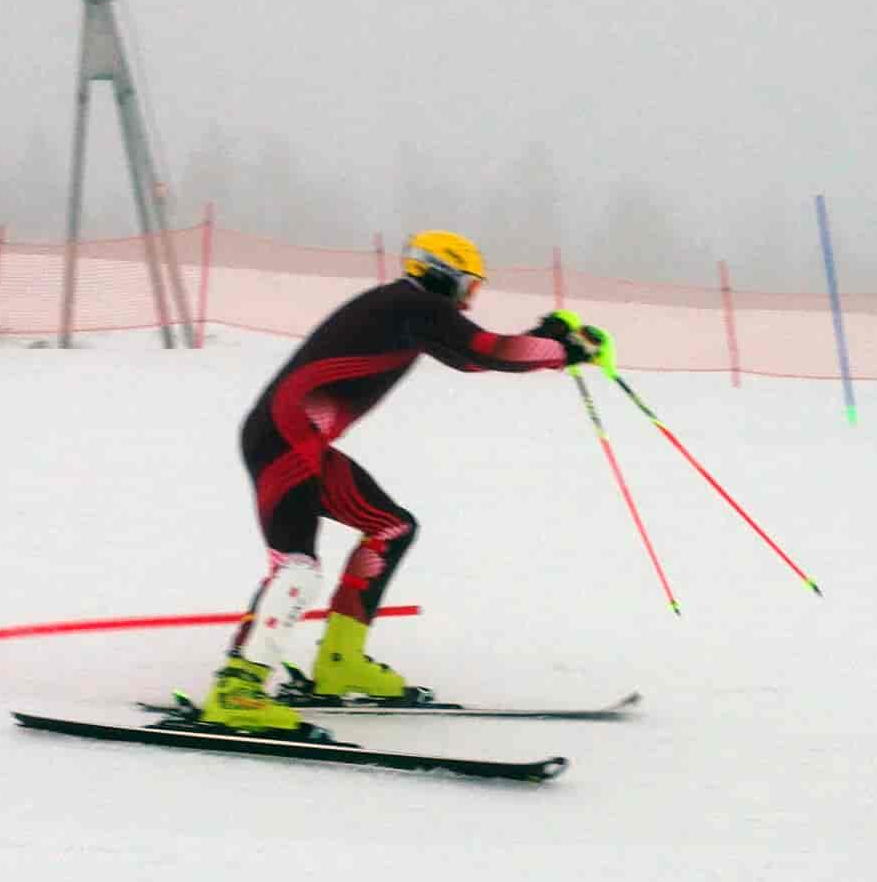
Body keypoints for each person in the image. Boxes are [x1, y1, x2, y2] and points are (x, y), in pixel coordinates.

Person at [196, 229, 612, 738]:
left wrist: (549, 340)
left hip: (297, 440)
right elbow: (483, 351)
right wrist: (564, 349)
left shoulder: (407, 309)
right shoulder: (412, 305)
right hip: (286, 441)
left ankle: (340, 662)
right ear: (445, 276)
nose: (470, 298)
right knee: (298, 568)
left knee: (392, 527)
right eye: (469, 287)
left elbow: (469, 351)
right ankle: (237, 690)